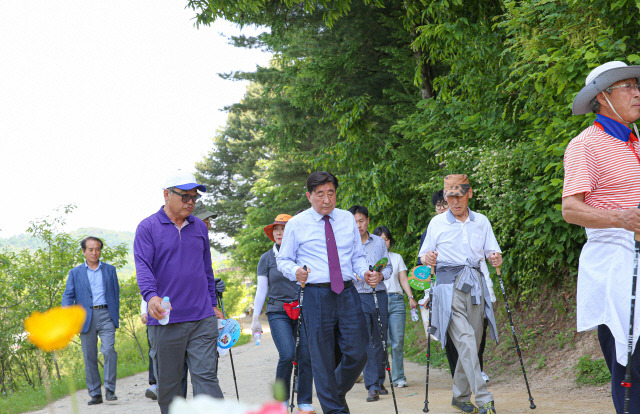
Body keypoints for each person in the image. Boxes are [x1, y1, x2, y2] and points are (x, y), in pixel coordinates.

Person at [562, 60, 640, 413]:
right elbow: (571, 209)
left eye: (637, 85)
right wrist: (620, 217)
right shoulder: (585, 145)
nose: (638, 93)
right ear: (603, 97)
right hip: (616, 266)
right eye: (628, 86)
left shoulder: (637, 141)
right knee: (630, 363)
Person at [277, 171, 380, 414]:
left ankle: (330, 392)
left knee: (360, 350)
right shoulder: (296, 224)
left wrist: (365, 272)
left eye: (331, 193)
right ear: (309, 196)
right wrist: (296, 271)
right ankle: (335, 408)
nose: (326, 200)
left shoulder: (346, 219)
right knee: (322, 359)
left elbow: (357, 256)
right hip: (316, 295)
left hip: (347, 292)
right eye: (320, 194)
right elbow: (284, 261)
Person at [134, 169, 224, 414]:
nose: (191, 202)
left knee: (206, 379)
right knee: (171, 388)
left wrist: (212, 303)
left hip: (202, 318)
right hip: (166, 319)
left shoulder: (199, 228)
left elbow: (206, 269)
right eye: (185, 196)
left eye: (194, 197)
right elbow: (143, 268)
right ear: (166, 195)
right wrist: (151, 296)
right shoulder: (147, 227)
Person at [418, 174, 501, 414]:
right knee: (464, 339)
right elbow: (424, 255)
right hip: (447, 287)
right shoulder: (437, 224)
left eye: (459, 196)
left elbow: (492, 251)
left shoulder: (482, 221)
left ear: (469, 194)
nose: (454, 201)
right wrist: (428, 258)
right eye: (450, 196)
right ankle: (484, 398)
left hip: (475, 285)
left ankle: (460, 396)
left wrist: (496, 257)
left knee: (472, 345)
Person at [250, 214, 315, 413]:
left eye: (284, 228)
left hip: (303, 309)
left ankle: (304, 400)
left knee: (305, 355)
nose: (279, 233)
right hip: (278, 310)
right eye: (276, 229)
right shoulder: (266, 258)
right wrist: (254, 320)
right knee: (287, 354)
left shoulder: (304, 255)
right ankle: (281, 402)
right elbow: (262, 290)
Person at [61, 237, 120, 405]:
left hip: (106, 314)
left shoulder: (110, 270)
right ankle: (95, 394)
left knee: (109, 350)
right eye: (91, 249)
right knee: (89, 356)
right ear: (84, 252)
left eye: (97, 249)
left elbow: (115, 294)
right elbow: (68, 295)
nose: (95, 252)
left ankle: (110, 390)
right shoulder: (75, 272)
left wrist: (115, 315)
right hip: (85, 317)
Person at [347, 205, 392, 402]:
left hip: (380, 294)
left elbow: (388, 267)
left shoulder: (379, 243)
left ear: (367, 221)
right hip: (358, 295)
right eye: (355, 221)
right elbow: (345, 271)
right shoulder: (346, 244)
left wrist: (380, 275)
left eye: (362, 220)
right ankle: (371, 385)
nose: (359, 225)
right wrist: (359, 276)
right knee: (366, 340)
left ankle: (379, 379)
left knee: (381, 338)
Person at [373, 225, 416, 388]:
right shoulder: (370, 259)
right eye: (380, 239)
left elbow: (403, 279)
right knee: (382, 341)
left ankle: (399, 377)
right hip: (378, 300)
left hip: (397, 300)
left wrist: (411, 297)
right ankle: (380, 377)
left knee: (397, 341)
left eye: (386, 239)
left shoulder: (396, 257)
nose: (384, 243)